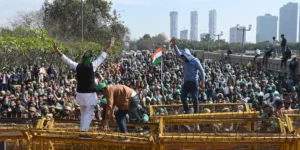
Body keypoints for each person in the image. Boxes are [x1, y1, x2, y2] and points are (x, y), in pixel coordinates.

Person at [52, 37, 115, 138]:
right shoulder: (92, 65)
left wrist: (57, 50)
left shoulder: (77, 66)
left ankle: (82, 131)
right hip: (89, 95)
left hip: (80, 94)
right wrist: (109, 45)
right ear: (90, 59)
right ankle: (83, 133)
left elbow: (66, 60)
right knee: (88, 113)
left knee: (83, 113)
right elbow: (102, 56)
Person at [171, 38, 205, 114]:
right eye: (182, 57)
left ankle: (196, 113)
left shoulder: (195, 61)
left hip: (193, 82)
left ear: (188, 56)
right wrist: (174, 45)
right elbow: (178, 53)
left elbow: (202, 71)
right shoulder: (184, 58)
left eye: (184, 57)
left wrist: (203, 81)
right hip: (186, 82)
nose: (183, 59)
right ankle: (187, 110)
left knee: (195, 98)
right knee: (183, 97)